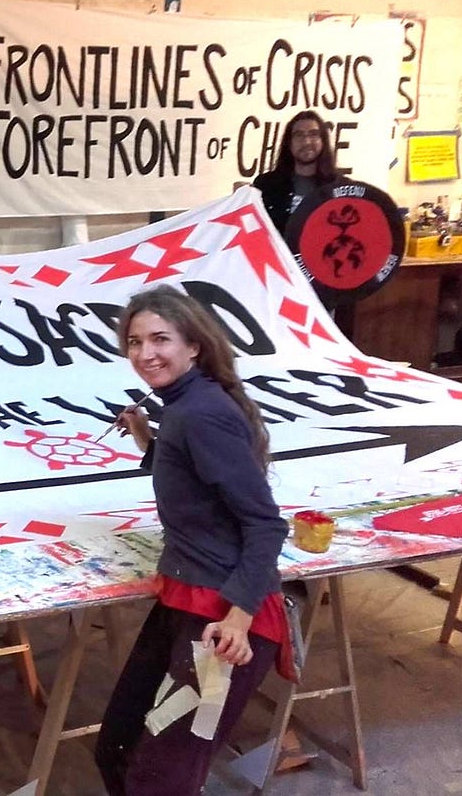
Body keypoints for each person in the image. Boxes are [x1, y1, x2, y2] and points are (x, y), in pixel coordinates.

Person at [94, 285, 296, 795]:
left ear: (194, 347)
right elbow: (195, 479)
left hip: (221, 614)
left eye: (160, 339)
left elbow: (266, 524)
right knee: (118, 746)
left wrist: (239, 617)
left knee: (158, 777)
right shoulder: (183, 406)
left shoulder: (200, 412)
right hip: (186, 596)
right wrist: (146, 437)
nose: (145, 354)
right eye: (135, 342)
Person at [252, 109, 340, 236]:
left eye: (313, 134)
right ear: (289, 142)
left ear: (323, 141)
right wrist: (240, 198)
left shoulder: (339, 187)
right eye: (299, 135)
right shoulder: (266, 185)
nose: (306, 141)